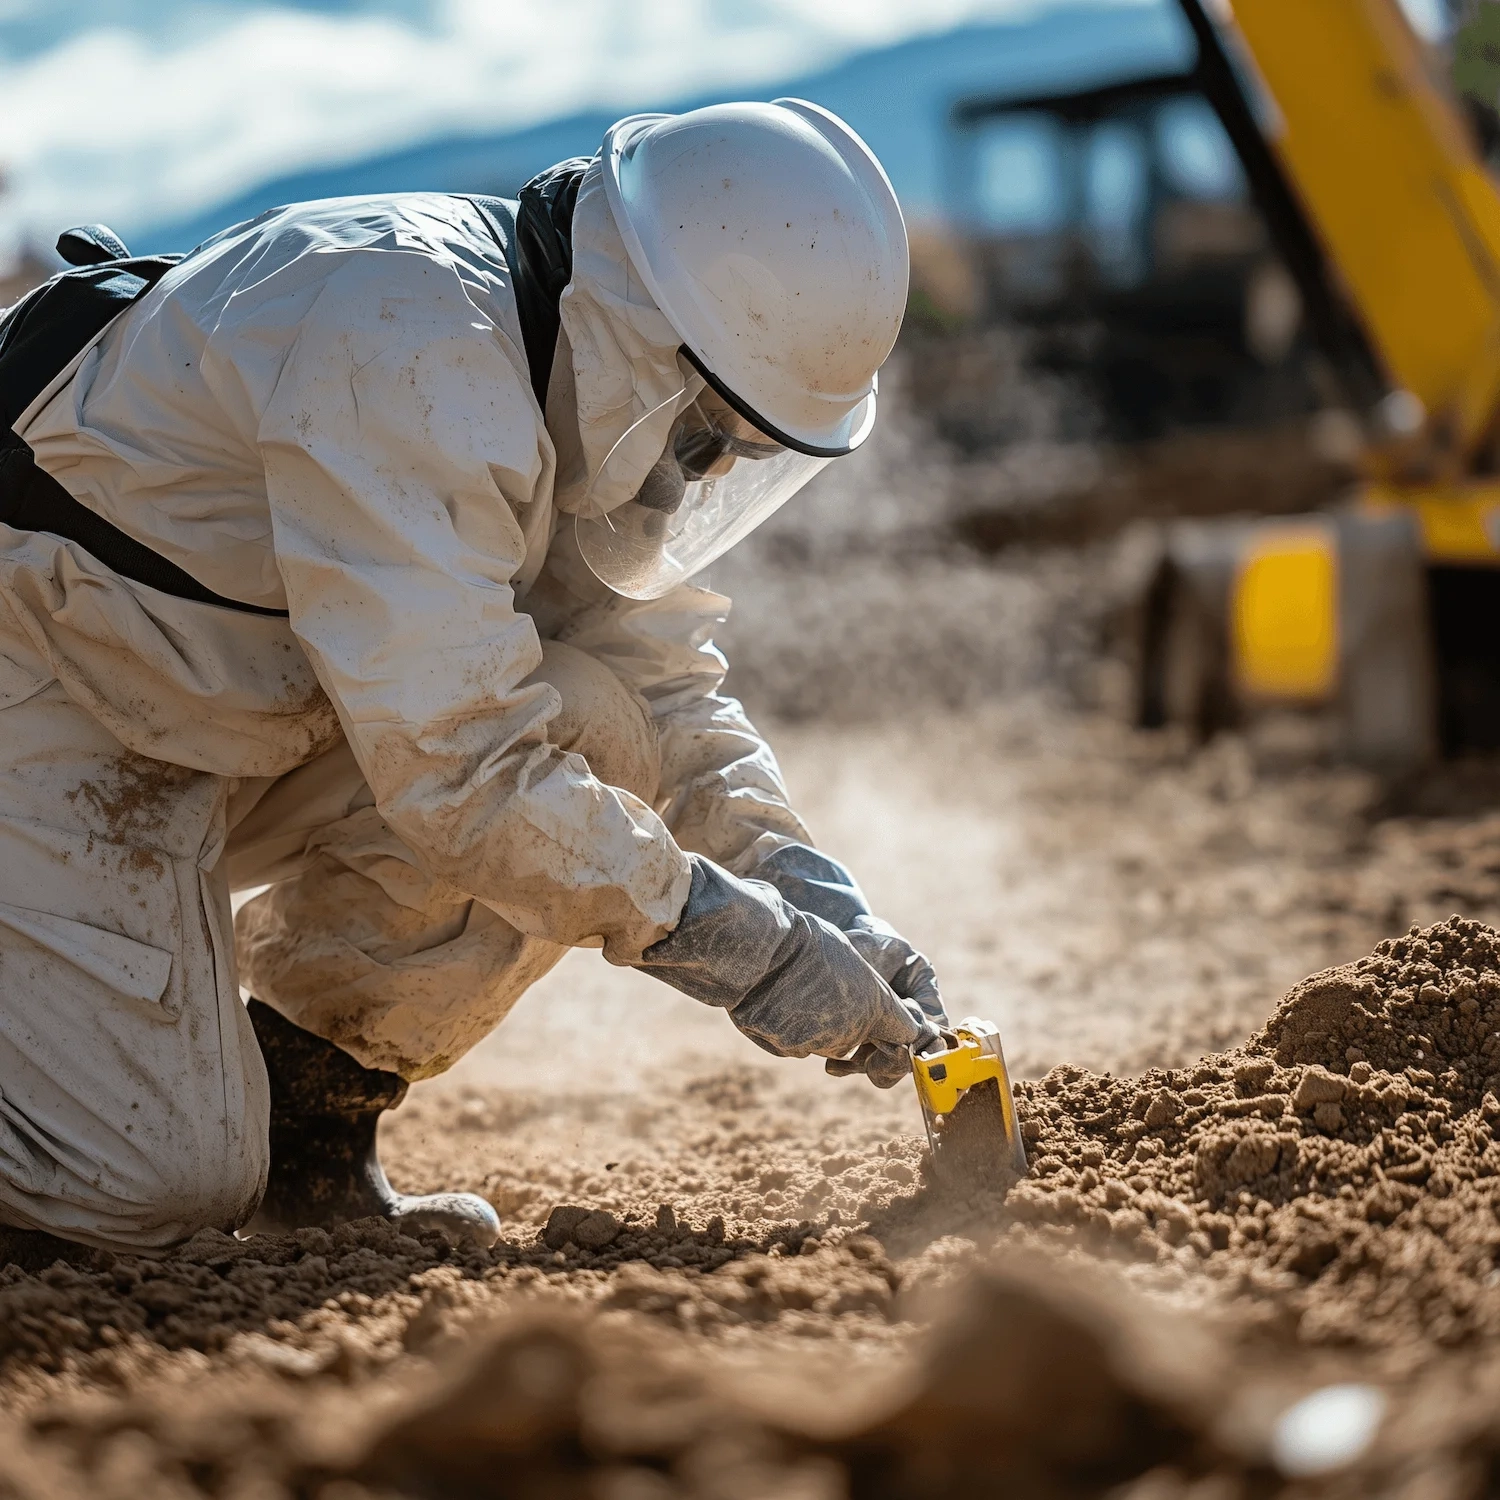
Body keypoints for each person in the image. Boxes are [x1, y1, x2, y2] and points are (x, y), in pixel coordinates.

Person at [0, 99, 944, 1256]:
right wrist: (746, 948)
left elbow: (658, 690)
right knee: (141, 1188)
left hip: (214, 715)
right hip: (51, 703)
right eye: (705, 433)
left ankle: (308, 1140)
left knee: (597, 727)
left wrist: (817, 897)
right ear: (647, 339)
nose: (694, 474)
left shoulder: (564, 371)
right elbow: (465, 770)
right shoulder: (406, 333)